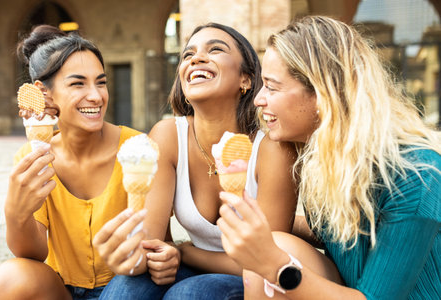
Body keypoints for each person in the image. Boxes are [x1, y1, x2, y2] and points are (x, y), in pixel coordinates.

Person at [217, 15, 441, 300]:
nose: (259, 99)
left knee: (268, 261)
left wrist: (273, 263)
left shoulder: (417, 175)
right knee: (274, 249)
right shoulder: (319, 156)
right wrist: (261, 221)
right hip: (347, 288)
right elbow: (344, 235)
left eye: (272, 87)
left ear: (324, 95)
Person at [96, 22, 298, 300]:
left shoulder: (273, 149)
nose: (196, 58)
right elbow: (153, 244)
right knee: (126, 289)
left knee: (190, 294)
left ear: (246, 79)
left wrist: (184, 251)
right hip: (190, 266)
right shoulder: (167, 136)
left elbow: (267, 261)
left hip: (254, 279)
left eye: (215, 49)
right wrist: (151, 256)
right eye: (187, 55)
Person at [0, 25, 147, 299]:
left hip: (128, 284)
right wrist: (17, 214)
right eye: (78, 83)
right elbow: (33, 255)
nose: (96, 96)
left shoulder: (138, 149)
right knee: (8, 278)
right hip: (61, 290)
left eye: (101, 82)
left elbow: (160, 238)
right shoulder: (33, 156)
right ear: (43, 92)